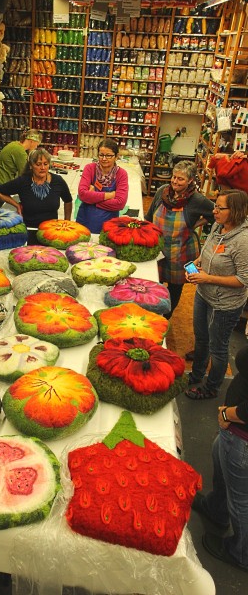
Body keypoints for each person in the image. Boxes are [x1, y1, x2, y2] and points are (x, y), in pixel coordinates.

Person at [185, 189, 248, 400]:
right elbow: (208, 252)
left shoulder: (243, 241)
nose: (214, 211)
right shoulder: (218, 226)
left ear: (236, 211)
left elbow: (243, 280)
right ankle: (196, 374)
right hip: (204, 294)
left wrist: (208, 278)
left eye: (220, 208)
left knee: (218, 347)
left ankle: (211, 387)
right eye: (215, 206)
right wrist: (196, 264)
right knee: (201, 339)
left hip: (225, 304)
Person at [191, 344, 248, 572]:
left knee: (241, 500)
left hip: (241, 438)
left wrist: (227, 414)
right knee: (220, 461)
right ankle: (216, 508)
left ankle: (241, 552)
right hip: (233, 434)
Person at [146, 160, 214, 318]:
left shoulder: (197, 200)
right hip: (158, 249)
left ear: (190, 180)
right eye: (174, 177)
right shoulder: (162, 191)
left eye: (180, 179)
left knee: (175, 288)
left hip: (181, 252)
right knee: (154, 283)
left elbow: (215, 214)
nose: (175, 181)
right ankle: (152, 314)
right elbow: (149, 217)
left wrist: (196, 224)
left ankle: (166, 317)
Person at [0, 147, 73, 244]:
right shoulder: (23, 181)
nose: (43, 168)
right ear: (31, 166)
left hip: (52, 233)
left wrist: (67, 222)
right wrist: (16, 205)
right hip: (29, 231)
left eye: (46, 164)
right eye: (38, 164)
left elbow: (68, 200)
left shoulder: (58, 181)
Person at [75, 138, 128, 234]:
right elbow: (82, 194)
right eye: (101, 155)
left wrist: (92, 198)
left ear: (116, 157)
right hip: (85, 221)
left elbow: (120, 203)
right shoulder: (90, 168)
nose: (104, 159)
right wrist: (109, 195)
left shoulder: (121, 174)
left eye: (108, 156)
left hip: (109, 225)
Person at [0, 128, 42, 207]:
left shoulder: (15, 144)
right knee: (5, 209)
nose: (36, 146)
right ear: (31, 141)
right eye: (37, 144)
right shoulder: (20, 152)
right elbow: (25, 175)